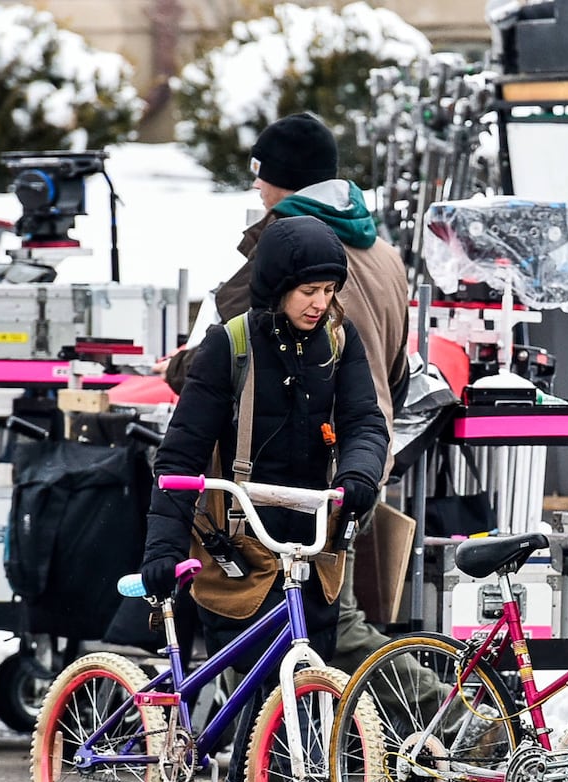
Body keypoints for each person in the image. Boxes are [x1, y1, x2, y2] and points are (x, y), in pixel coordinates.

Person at [139, 215, 389, 782]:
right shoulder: (230, 345)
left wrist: (361, 472)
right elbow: (181, 455)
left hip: (312, 537)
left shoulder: (340, 339)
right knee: (255, 680)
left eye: (329, 288)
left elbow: (364, 419)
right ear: (277, 285)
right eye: (307, 289)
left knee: (313, 671)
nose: (320, 302)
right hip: (238, 540)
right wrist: (163, 548)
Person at [165, 111, 410, 676]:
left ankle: (440, 717)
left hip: (297, 469)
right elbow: (397, 368)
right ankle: (285, 746)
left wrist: (180, 368)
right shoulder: (387, 255)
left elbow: (231, 350)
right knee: (305, 624)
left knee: (323, 625)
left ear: (285, 179)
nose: (255, 184)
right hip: (358, 460)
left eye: (261, 174)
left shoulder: (284, 250)